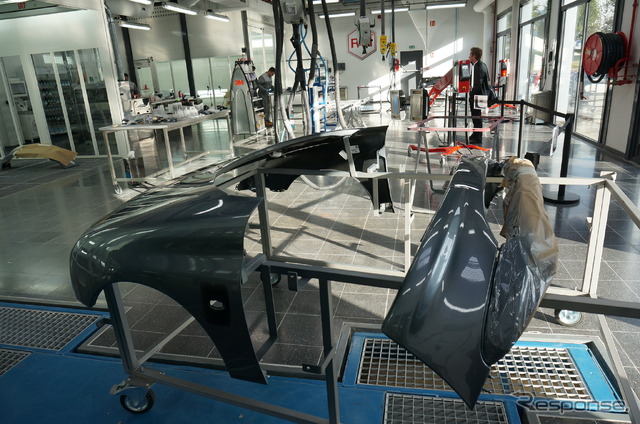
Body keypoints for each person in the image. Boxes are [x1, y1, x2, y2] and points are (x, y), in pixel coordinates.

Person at [468, 47, 490, 144]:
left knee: (476, 116)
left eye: (470, 54)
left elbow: (478, 84)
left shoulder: (478, 67)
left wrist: (471, 93)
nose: (469, 56)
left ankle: (478, 137)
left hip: (478, 95)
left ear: (474, 56)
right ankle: (475, 134)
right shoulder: (482, 65)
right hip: (481, 94)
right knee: (476, 116)